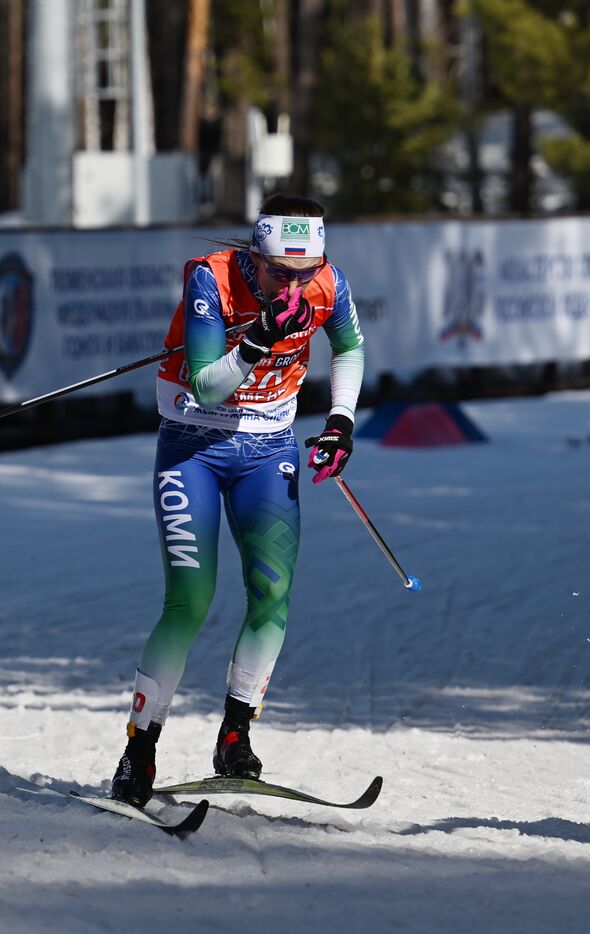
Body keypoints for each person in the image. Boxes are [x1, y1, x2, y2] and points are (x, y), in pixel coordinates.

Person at [109, 195, 366, 806]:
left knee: (272, 591)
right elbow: (202, 384)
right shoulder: (212, 280)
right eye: (282, 273)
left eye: (308, 273)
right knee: (189, 603)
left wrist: (340, 423)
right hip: (193, 446)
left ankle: (235, 735)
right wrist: (253, 345)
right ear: (256, 257)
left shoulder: (329, 283)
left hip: (268, 443)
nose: (298, 286)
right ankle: (139, 750)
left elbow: (349, 349)